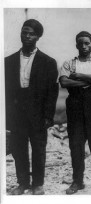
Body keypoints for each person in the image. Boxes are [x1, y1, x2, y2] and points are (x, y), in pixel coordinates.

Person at [5, 19, 59, 195]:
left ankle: (37, 184)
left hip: (38, 112)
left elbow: (52, 92)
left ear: (38, 37)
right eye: (24, 32)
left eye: (31, 33)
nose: (27, 36)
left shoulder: (48, 62)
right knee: (18, 148)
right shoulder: (8, 62)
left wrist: (48, 116)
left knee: (38, 148)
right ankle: (22, 183)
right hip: (16, 113)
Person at [59, 31, 91, 194]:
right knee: (76, 144)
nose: (84, 46)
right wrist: (90, 80)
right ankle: (77, 181)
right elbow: (64, 82)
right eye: (80, 43)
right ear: (76, 46)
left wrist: (79, 76)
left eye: (87, 43)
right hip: (75, 104)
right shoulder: (69, 63)